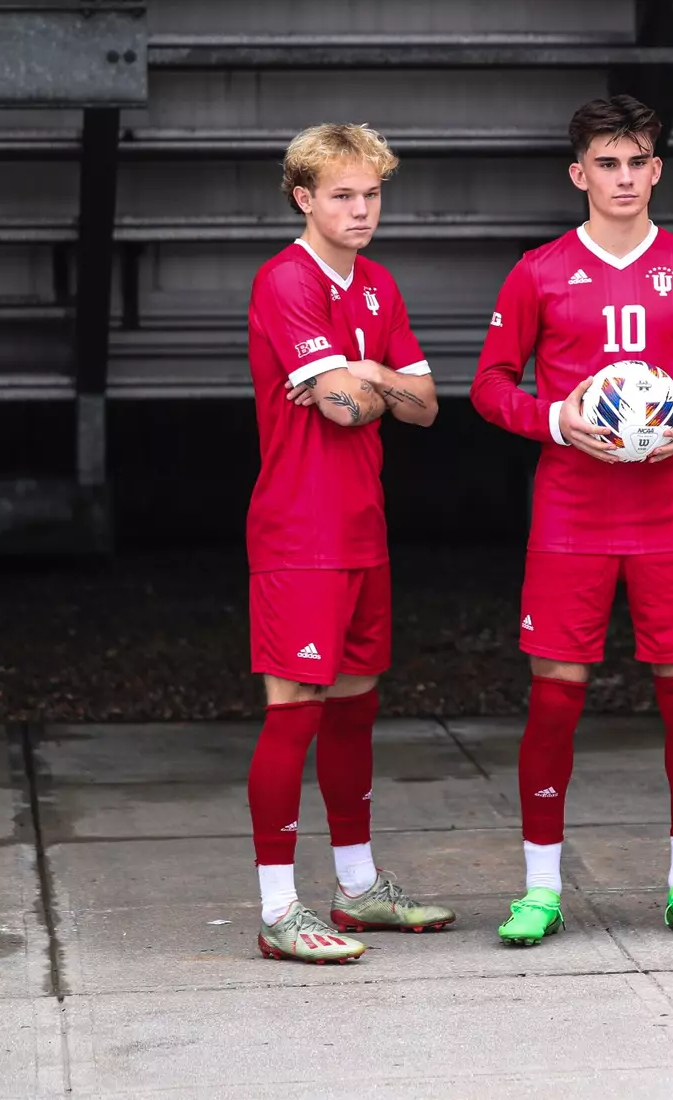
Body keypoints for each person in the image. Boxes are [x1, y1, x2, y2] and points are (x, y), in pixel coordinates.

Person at [470, 95, 673, 946]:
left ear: (656, 169)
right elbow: (490, 384)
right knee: (555, 703)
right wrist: (556, 418)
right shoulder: (539, 271)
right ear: (579, 174)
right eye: (607, 163)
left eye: (637, 162)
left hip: (671, 515)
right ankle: (541, 888)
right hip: (570, 516)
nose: (623, 178)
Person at [243, 121, 455, 963]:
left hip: (365, 526)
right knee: (293, 712)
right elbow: (344, 407)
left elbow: (430, 405)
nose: (361, 209)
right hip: (299, 531)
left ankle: (360, 889)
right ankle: (277, 909)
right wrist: (376, 382)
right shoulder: (283, 282)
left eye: (371, 193)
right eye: (343, 194)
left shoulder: (380, 286)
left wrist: (362, 374)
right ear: (304, 197)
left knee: (356, 711)